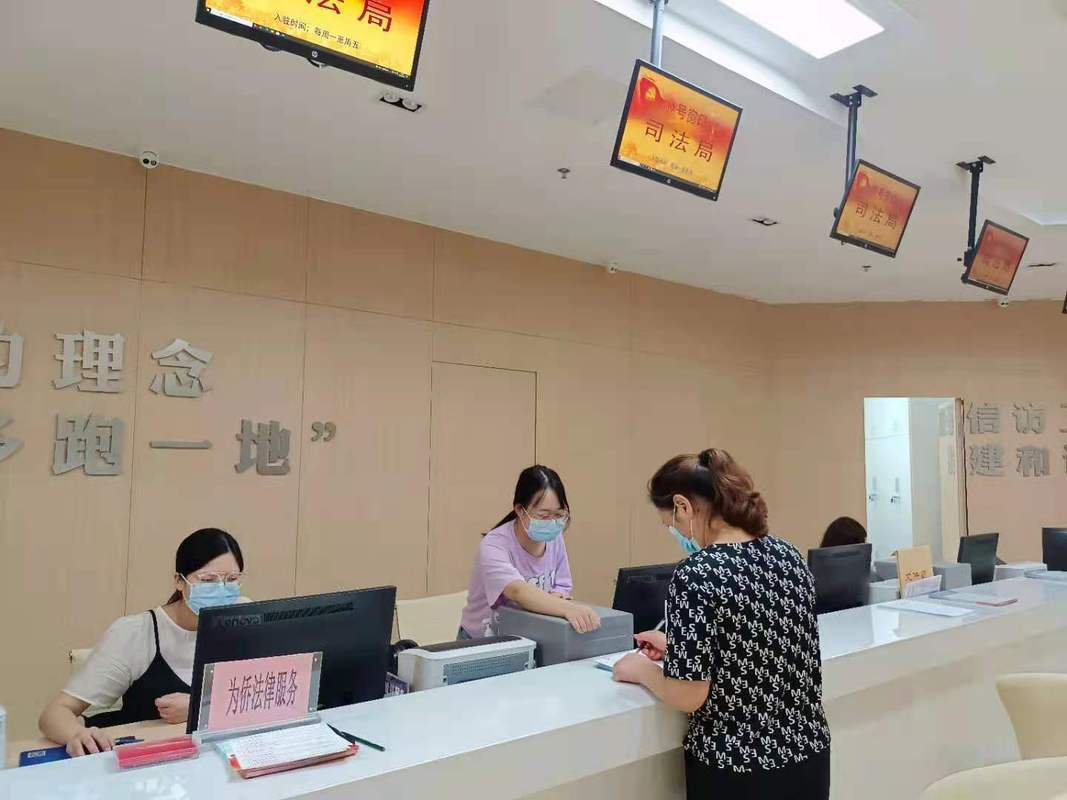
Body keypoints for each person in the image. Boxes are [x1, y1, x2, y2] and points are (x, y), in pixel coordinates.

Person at [613, 449, 831, 799]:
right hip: (807, 757)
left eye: (671, 523)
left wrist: (642, 671)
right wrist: (680, 649)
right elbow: (764, 644)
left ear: (683, 506)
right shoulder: (788, 555)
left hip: (737, 770)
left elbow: (689, 694)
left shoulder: (697, 573)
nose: (676, 532)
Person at [38, 528, 245, 757]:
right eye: (208, 580)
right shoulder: (135, 633)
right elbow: (55, 714)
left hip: (210, 756)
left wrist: (199, 707)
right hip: (142, 760)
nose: (221, 590)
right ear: (179, 581)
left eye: (231, 580)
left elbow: (264, 696)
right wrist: (77, 734)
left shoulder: (244, 617)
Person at [459, 465, 600, 638]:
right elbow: (516, 591)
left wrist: (558, 598)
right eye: (543, 515)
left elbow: (562, 586)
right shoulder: (494, 545)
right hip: (480, 640)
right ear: (520, 510)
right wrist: (568, 609)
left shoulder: (554, 537)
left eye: (558, 514)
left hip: (527, 637)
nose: (552, 522)